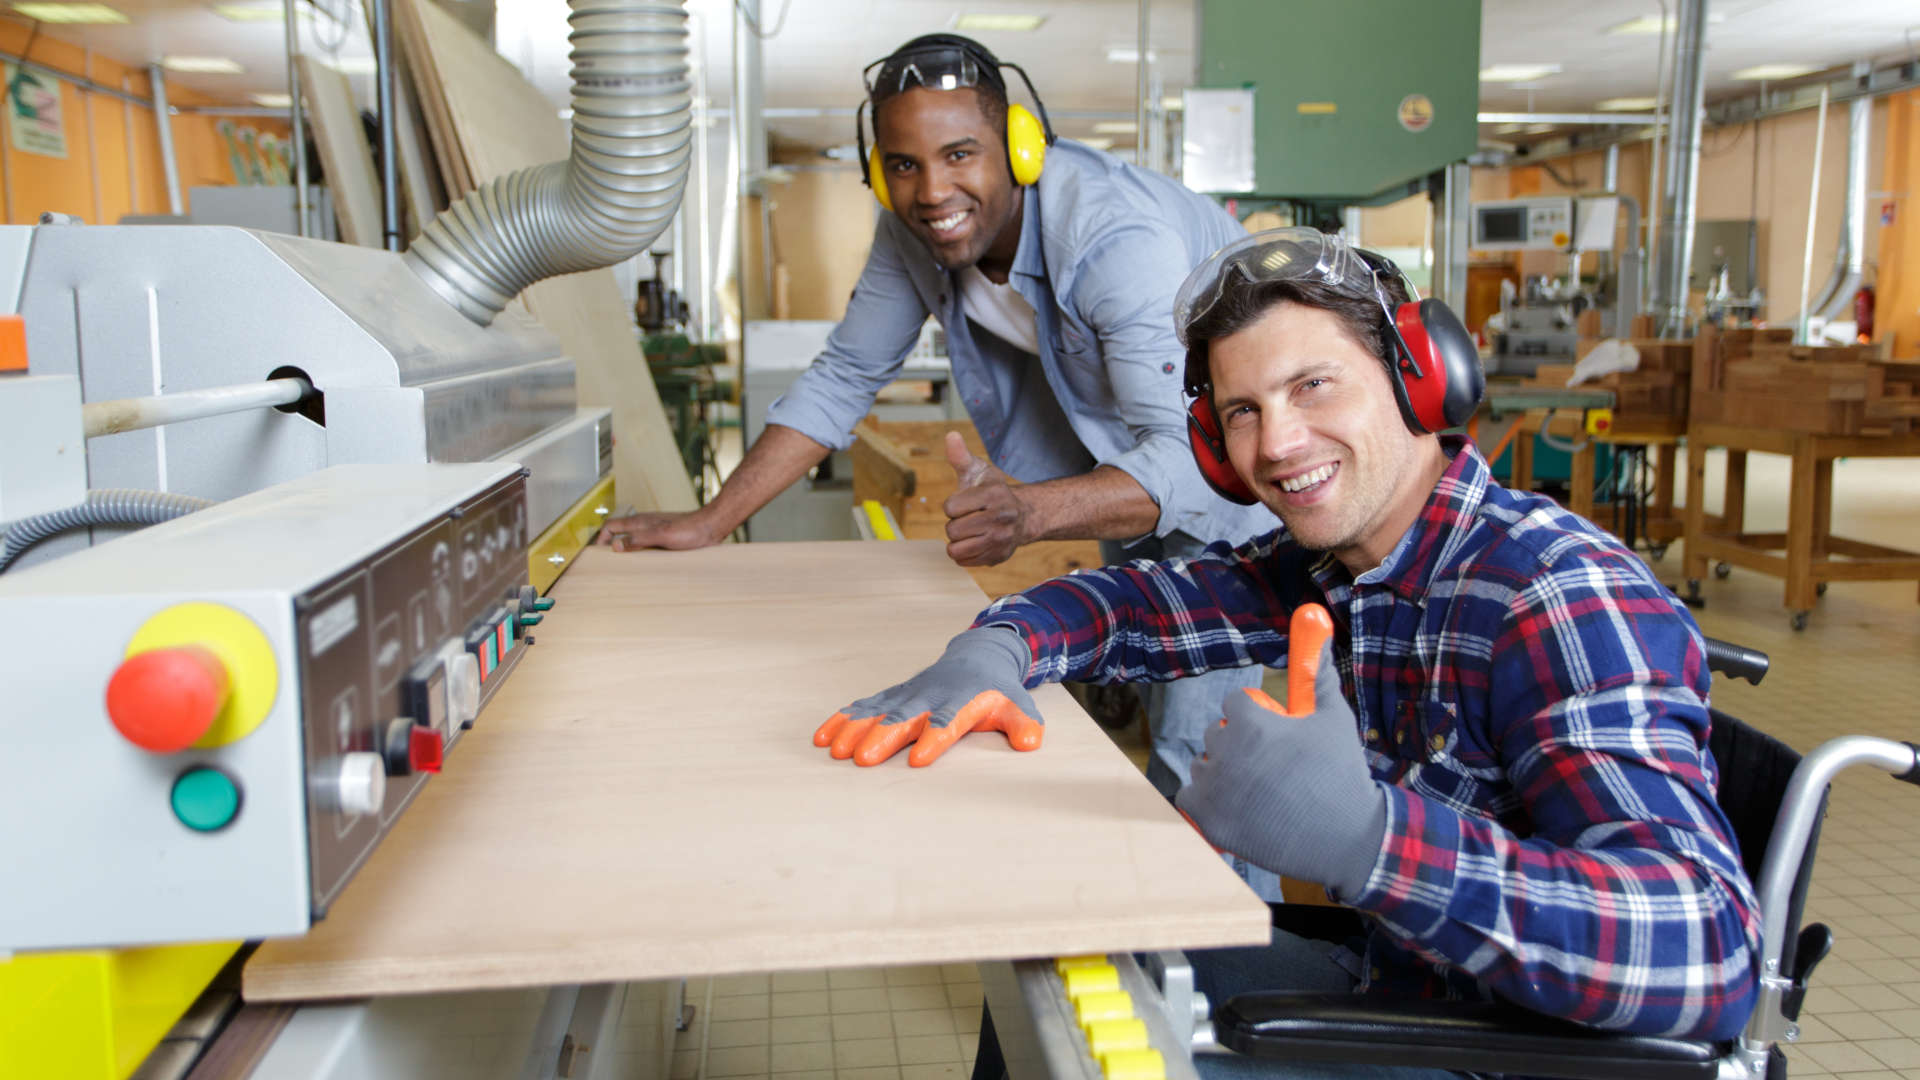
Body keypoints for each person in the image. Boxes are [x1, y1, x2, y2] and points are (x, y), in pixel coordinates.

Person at [815, 228, 1762, 1078]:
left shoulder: (1555, 592)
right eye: (1242, 413)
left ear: (1416, 378)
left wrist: (1372, 841)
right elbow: (1149, 605)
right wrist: (1001, 644)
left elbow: (1706, 950)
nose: (1279, 443)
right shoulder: (1341, 559)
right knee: (1063, 946)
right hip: (1402, 986)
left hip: (1507, 1049)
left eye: (1313, 386)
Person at [599, 33, 1274, 807]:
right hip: (1131, 460)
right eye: (905, 165)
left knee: (1203, 756)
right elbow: (846, 376)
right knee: (1155, 699)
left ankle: (1218, 925)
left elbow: (1190, 457)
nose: (931, 191)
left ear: (1020, 147)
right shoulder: (916, 233)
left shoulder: (1112, 239)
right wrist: (711, 521)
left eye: (960, 154)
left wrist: (1032, 510)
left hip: (1234, 465)